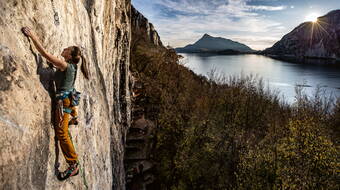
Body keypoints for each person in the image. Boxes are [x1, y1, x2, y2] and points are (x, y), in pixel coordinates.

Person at [22, 27, 90, 180]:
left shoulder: (64, 64)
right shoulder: (70, 66)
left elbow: (44, 53)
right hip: (69, 101)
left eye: (67, 49)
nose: (64, 49)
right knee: (63, 127)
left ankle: (74, 165)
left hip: (63, 102)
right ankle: (72, 117)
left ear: (70, 55)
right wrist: (53, 68)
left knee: (62, 133)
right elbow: (60, 77)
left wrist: (32, 35)